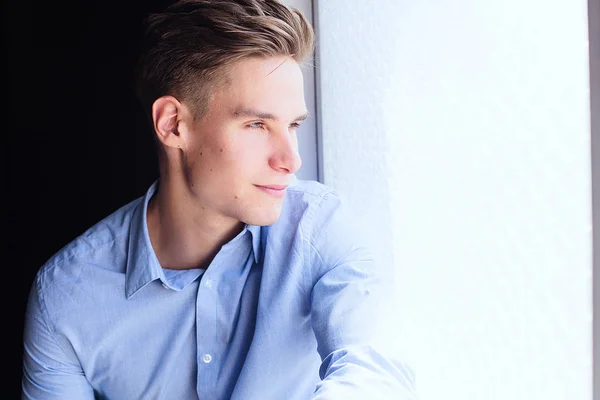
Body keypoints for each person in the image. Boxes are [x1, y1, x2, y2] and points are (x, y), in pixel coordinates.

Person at [21, 0, 417, 398]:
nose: (290, 159)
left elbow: (375, 373)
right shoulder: (67, 297)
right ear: (173, 124)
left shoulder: (321, 229)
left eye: (293, 125)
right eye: (257, 124)